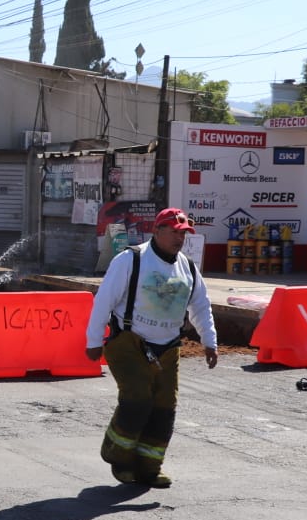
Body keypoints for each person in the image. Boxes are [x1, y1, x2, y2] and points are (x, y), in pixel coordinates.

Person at [85, 207, 219, 488]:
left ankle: (148, 468)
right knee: (137, 400)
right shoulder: (130, 260)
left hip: (168, 349)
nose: (179, 238)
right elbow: (104, 301)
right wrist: (94, 341)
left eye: (183, 234)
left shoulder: (188, 267)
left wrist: (210, 342)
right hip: (129, 344)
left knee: (164, 410)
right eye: (173, 232)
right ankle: (118, 457)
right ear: (157, 231)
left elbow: (200, 307)